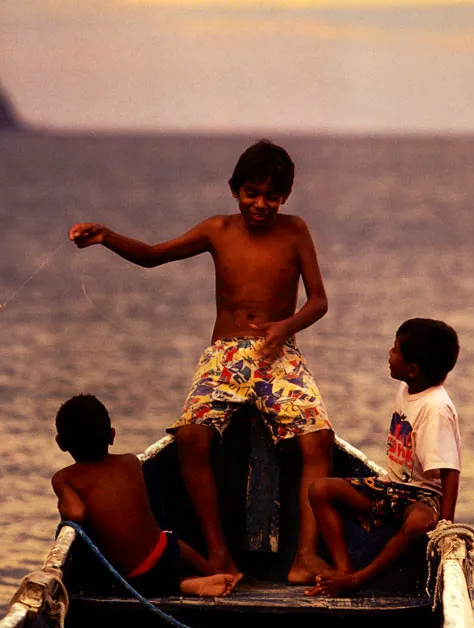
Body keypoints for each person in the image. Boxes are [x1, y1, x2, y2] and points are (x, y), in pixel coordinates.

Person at [68, 140, 335, 584]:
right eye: (252, 192)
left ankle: (305, 556)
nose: (261, 204)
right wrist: (107, 237)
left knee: (318, 441)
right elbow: (153, 255)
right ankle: (218, 554)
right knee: (192, 438)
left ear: (285, 196)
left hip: (278, 351)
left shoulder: (296, 231)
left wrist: (285, 327)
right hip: (225, 353)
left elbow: (319, 301)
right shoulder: (217, 230)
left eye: (272, 196)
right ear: (235, 189)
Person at [306, 318, 461, 597]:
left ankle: (358, 579)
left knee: (416, 524)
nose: (389, 355)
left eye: (395, 351)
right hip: (391, 488)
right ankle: (343, 569)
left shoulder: (436, 408)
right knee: (321, 489)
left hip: (422, 497)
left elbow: (450, 471)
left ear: (412, 370)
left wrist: (445, 524)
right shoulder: (408, 388)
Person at [52, 394, 239, 597]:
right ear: (112, 435)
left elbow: (76, 513)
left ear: (60, 443)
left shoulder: (64, 477)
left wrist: (64, 501)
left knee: (131, 578)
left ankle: (186, 585)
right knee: (172, 541)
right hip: (166, 556)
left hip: (135, 577)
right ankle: (214, 573)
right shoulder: (130, 462)